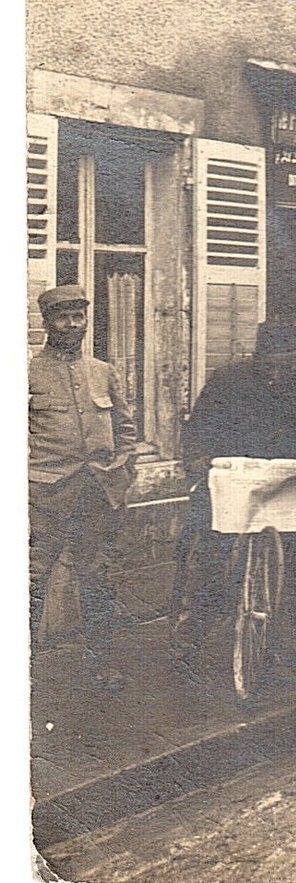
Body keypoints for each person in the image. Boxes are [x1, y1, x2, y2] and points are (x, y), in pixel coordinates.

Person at [173, 322, 296, 661]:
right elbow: (199, 426)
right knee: (208, 550)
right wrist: (199, 460)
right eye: (270, 364)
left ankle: (283, 641)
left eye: (286, 365)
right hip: (233, 479)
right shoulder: (228, 380)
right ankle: (192, 629)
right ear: (257, 357)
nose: (277, 373)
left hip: (285, 483)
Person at [29, 284, 138, 690]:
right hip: (45, 497)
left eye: (79, 316)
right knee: (30, 580)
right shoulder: (26, 373)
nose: (73, 325)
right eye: (63, 317)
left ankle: (101, 664)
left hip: (98, 495)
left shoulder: (103, 372)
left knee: (98, 579)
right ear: (47, 323)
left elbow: (126, 429)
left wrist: (123, 472)